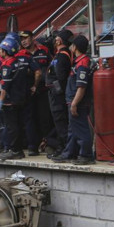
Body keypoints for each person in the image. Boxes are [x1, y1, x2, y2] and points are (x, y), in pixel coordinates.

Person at [53, 34, 95, 165]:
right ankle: (69, 153)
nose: (70, 46)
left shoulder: (82, 63)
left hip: (77, 103)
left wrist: (74, 104)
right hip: (72, 101)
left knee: (81, 129)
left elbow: (81, 87)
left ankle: (86, 155)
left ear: (75, 47)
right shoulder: (77, 62)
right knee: (73, 130)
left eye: (72, 44)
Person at [19, 30, 51, 156]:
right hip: (28, 92)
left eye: (26, 38)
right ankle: (32, 146)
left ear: (32, 38)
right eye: (22, 39)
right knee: (29, 119)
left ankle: (48, 144)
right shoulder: (20, 54)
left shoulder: (44, 50)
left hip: (43, 90)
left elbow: (51, 66)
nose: (24, 41)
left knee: (45, 118)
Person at [0, 34, 27, 160]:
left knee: (11, 127)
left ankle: (14, 150)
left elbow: (4, 86)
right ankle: (17, 149)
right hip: (20, 99)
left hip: (10, 101)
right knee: (17, 125)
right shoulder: (19, 63)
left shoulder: (7, 65)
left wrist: (1, 101)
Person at [45, 29, 72, 157]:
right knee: (58, 122)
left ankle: (64, 149)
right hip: (57, 95)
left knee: (61, 123)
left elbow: (61, 77)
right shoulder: (59, 54)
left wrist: (57, 91)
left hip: (58, 96)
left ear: (60, 40)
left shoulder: (63, 55)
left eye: (56, 38)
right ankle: (62, 147)